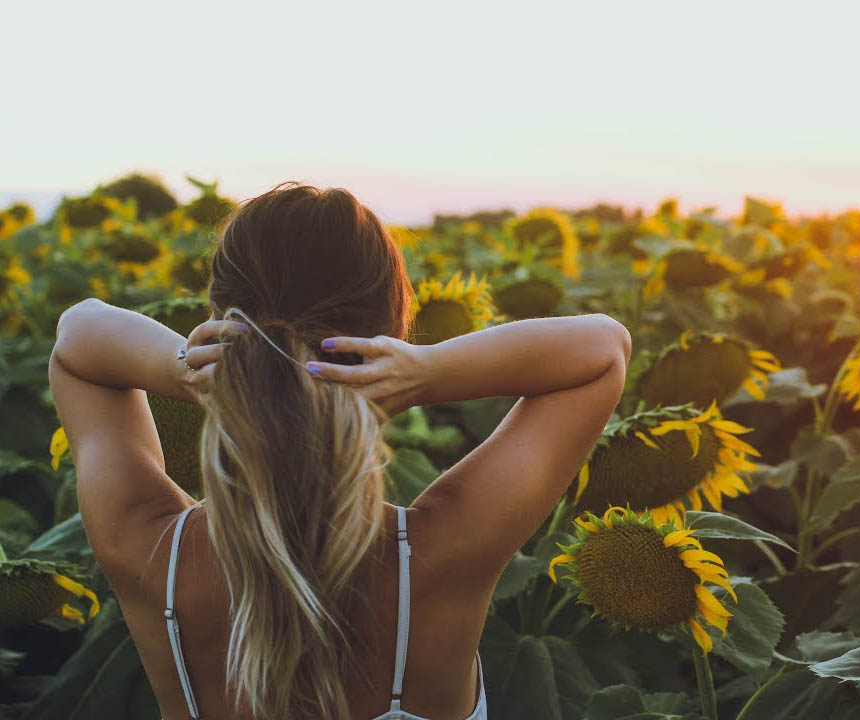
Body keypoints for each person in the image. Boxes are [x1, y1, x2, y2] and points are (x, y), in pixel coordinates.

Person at [48, 182, 631, 720]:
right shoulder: (442, 553)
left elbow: (78, 334)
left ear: (219, 325)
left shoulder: (151, 552)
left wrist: (193, 371)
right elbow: (603, 349)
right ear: (392, 336)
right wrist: (430, 373)